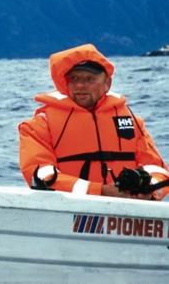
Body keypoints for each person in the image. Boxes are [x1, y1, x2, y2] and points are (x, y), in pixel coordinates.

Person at [19, 43, 169, 200]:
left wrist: (149, 191)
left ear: (107, 84)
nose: (80, 85)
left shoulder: (133, 122)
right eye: (73, 79)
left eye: (89, 79)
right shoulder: (39, 125)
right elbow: (40, 174)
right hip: (70, 209)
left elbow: (157, 168)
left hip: (131, 212)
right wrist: (100, 190)